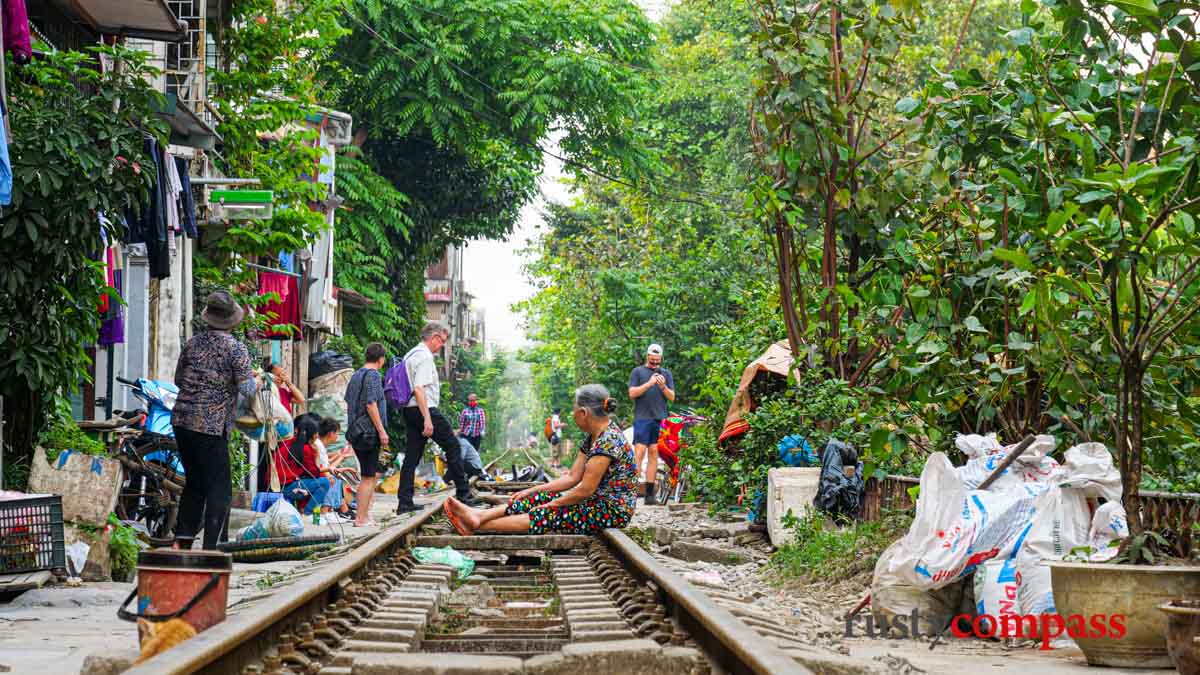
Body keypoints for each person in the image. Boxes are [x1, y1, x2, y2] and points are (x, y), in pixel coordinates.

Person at [444, 384, 636, 535]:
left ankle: (477, 526)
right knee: (539, 498)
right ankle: (479, 515)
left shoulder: (608, 441)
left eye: (574, 410)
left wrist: (554, 504)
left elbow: (585, 490)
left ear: (584, 413)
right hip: (596, 502)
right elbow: (572, 478)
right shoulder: (593, 437)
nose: (573, 414)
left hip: (612, 511)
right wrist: (533, 490)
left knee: (548, 511)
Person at [172, 290, 258, 550]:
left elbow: (178, 380)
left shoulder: (192, 344)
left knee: (195, 483)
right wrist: (257, 380)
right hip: (210, 425)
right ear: (232, 320)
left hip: (182, 421)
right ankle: (213, 548)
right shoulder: (236, 348)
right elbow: (248, 389)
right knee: (220, 489)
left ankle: (182, 541)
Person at [397, 322, 479, 514]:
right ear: (433, 337)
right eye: (441, 341)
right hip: (424, 409)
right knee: (453, 445)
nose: (442, 345)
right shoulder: (424, 357)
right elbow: (419, 388)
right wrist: (427, 418)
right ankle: (464, 494)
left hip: (409, 409)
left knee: (412, 456)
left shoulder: (411, 354)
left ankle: (404, 502)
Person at [345, 343, 390, 527]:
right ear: (381, 360)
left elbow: (349, 400)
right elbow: (371, 404)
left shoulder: (356, 375)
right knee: (369, 476)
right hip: (369, 432)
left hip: (356, 431)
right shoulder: (373, 376)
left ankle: (364, 516)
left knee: (369, 474)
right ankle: (361, 518)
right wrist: (381, 431)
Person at [275, 415, 353, 521]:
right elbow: (314, 472)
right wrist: (318, 457)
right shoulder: (307, 448)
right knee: (325, 482)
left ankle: (318, 511)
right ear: (313, 434)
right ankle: (308, 513)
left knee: (328, 479)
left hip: (280, 485)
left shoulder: (292, 443)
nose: (318, 435)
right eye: (316, 433)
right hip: (288, 487)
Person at [628, 343, 675, 505]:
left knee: (654, 453)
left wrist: (662, 386)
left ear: (661, 359)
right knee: (639, 452)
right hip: (642, 417)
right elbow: (632, 393)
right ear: (647, 357)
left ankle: (649, 495)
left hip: (659, 418)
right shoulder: (638, 372)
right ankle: (630, 493)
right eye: (652, 360)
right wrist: (649, 384)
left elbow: (672, 397)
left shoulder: (666, 374)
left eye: (657, 361)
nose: (655, 364)